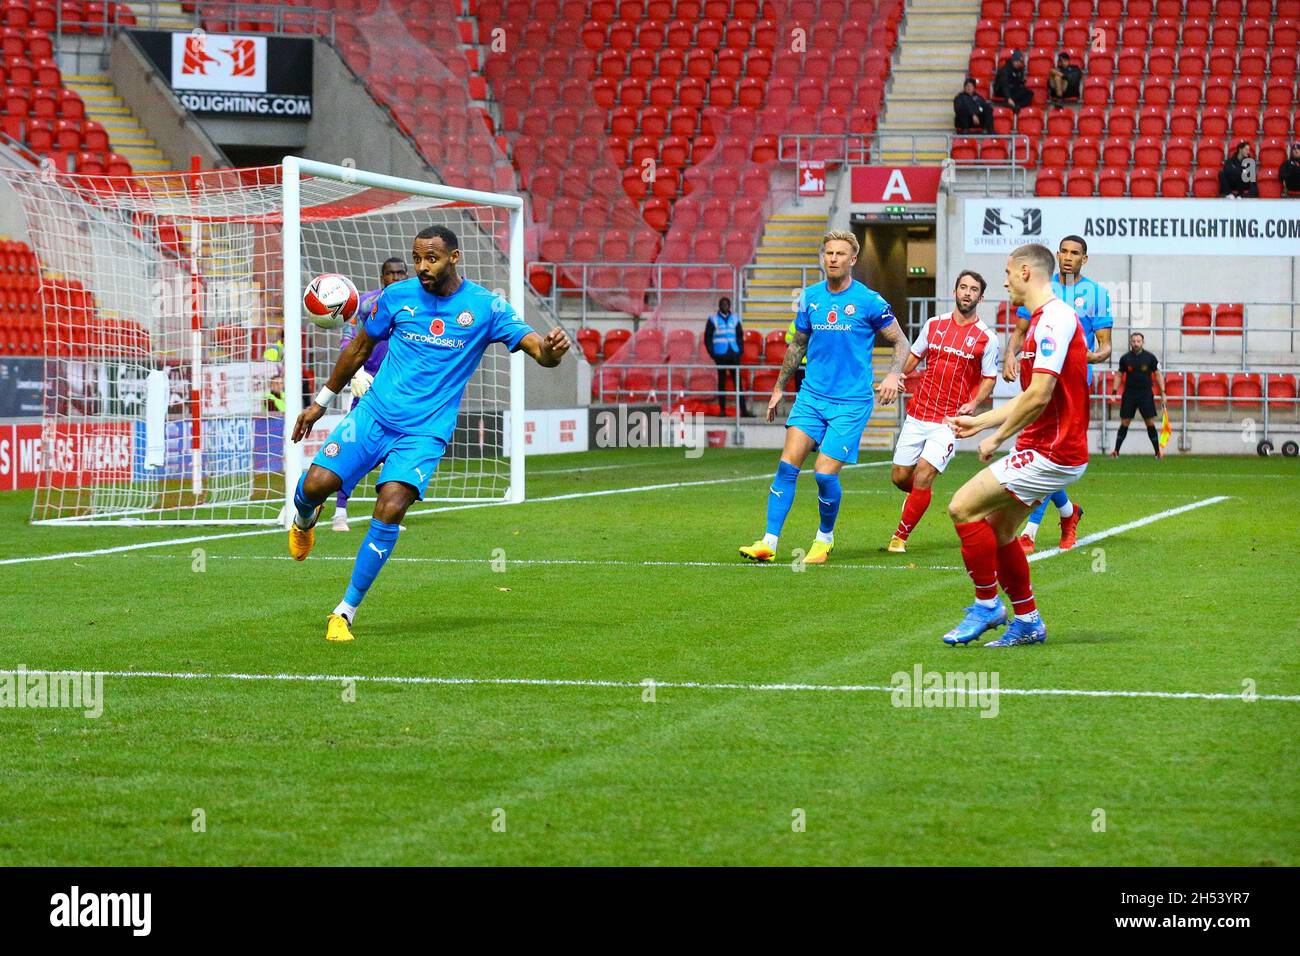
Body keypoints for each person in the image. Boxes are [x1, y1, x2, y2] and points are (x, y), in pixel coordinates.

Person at [288, 225, 571, 643]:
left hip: (424, 433)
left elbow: (537, 350)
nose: (422, 266)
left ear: (454, 258)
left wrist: (551, 350)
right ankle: (304, 518)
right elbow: (360, 349)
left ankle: (344, 611)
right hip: (374, 417)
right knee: (315, 485)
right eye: (417, 258)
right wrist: (320, 403)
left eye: (431, 259)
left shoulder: (486, 308)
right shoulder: (396, 297)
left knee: (390, 507)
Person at [942, 243, 1090, 647]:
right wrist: (982, 423)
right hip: (1046, 446)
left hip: (1052, 451)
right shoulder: (1042, 319)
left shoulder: (1055, 319)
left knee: (962, 508)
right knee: (1000, 529)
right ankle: (1028, 620)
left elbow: (1039, 394)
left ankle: (987, 604)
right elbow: (1032, 398)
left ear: (1025, 271)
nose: (1004, 280)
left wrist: (994, 434)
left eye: (1008, 272)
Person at [738, 230, 909, 565]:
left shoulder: (869, 301)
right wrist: (778, 388)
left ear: (853, 260)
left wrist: (892, 374)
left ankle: (824, 538)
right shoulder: (811, 298)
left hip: (851, 402)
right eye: (828, 253)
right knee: (787, 466)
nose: (832, 258)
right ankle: (768, 542)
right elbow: (797, 344)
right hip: (812, 396)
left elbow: (901, 341)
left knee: (824, 474)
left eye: (840, 254)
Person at [1003, 234, 1110, 554]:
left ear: (1084, 259)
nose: (1067, 257)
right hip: (1037, 378)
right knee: (1043, 454)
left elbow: (1105, 347)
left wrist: (1081, 355)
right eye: (1062, 251)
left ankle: (1030, 532)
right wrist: (1010, 355)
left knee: (1047, 454)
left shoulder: (1097, 294)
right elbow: (1020, 333)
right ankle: (1068, 513)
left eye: (1075, 253)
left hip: (1072, 387)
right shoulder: (1042, 287)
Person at [888, 270, 999, 553]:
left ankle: (899, 538)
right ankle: (920, 497)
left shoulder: (986, 337)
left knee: (923, 474)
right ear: (954, 292)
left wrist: (974, 404)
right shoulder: (934, 325)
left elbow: (989, 378)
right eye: (963, 287)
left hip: (950, 420)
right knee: (901, 477)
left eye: (973, 289)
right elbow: (914, 357)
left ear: (980, 297)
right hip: (918, 412)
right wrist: (897, 376)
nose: (967, 293)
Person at [332, 256, 407, 531]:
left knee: (397, 455)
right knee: (354, 449)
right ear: (382, 276)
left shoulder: (417, 306)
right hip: (367, 387)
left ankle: (388, 515)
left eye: (401, 273)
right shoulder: (365, 304)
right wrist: (355, 372)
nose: (396, 278)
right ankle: (340, 512)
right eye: (390, 273)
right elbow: (347, 339)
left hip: (400, 391)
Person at [1111, 332, 1168, 458]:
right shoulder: (1125, 358)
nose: (1136, 344)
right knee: (1125, 421)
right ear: (1130, 343)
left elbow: (1158, 374)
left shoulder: (1150, 358)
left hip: (1145, 394)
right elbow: (1119, 375)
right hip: (1130, 394)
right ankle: (1116, 451)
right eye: (1134, 341)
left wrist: (1163, 392)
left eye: (1138, 341)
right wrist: (1114, 391)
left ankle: (1157, 452)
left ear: (1143, 342)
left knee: (1150, 422)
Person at [704, 296, 742, 416]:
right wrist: (713, 354)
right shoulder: (712, 319)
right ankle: (722, 410)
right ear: (719, 306)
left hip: (733, 354)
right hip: (720, 355)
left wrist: (740, 351)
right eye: (723, 304)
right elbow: (707, 338)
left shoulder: (735, 319)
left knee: (738, 384)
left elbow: (740, 336)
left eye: (727, 304)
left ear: (729, 306)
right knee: (722, 383)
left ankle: (744, 410)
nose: (725, 306)